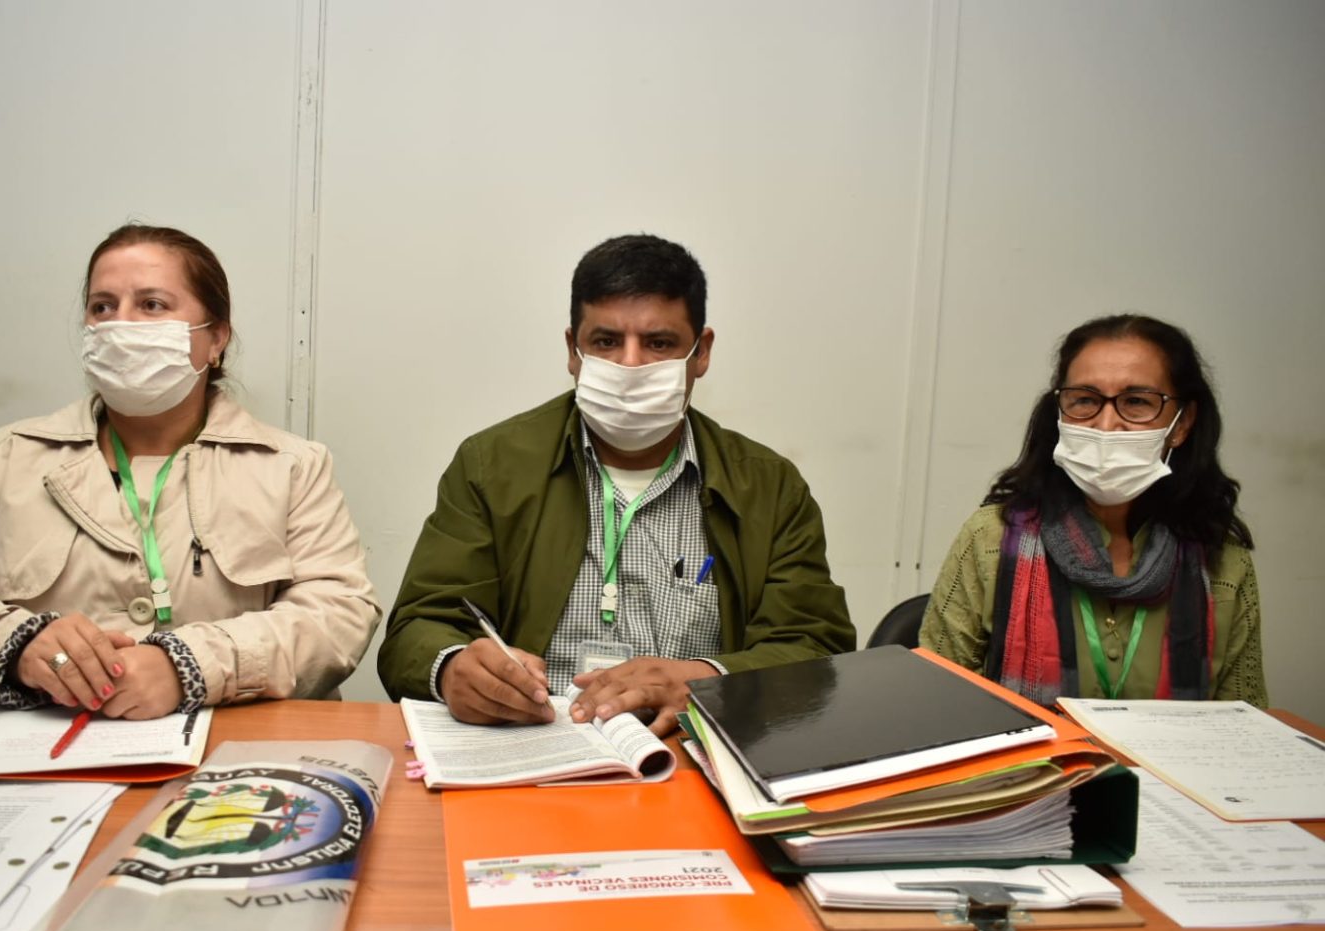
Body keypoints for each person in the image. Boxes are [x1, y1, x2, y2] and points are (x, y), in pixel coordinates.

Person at [0, 225, 380, 719]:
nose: (120, 325)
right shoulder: (7, 457)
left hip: (231, 746)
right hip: (46, 741)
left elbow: (337, 615)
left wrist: (188, 666)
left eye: (151, 305)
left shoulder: (291, 465)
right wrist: (20, 645)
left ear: (216, 338)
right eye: (102, 307)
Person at [377, 234, 855, 735]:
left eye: (659, 343)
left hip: (689, 746)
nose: (629, 365)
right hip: (533, 743)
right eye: (606, 342)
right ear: (573, 350)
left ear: (701, 352)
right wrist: (452, 667)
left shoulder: (769, 487)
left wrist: (710, 681)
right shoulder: (491, 465)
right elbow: (417, 630)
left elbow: (817, 650)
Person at [919, 314, 1264, 707]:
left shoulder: (1223, 560)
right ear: (1059, 413)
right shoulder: (991, 539)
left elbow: (1245, 722)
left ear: (1182, 423)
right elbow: (934, 702)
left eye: (1136, 402)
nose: (1106, 424)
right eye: (1085, 400)